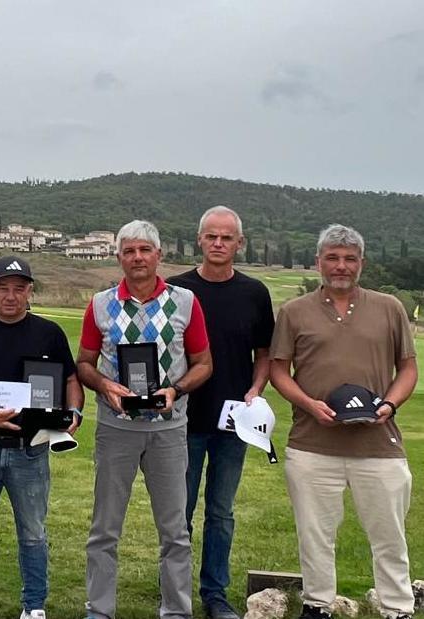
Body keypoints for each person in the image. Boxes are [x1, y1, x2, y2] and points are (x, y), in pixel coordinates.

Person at [269, 224, 417, 619]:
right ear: (318, 262)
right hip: (312, 445)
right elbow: (278, 370)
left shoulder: (389, 308)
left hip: (379, 445)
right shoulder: (294, 312)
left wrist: (390, 403)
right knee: (316, 536)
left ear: (361, 263)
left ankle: (397, 608)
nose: (341, 266)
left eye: (350, 258)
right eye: (332, 257)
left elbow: (407, 368)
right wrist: (309, 404)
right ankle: (318, 605)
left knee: (389, 536)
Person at [76, 219, 212, 619]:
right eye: (129, 251)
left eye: (144, 250)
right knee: (104, 529)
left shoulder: (185, 301)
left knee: (175, 531)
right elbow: (83, 364)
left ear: (159, 255)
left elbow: (204, 363)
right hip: (116, 429)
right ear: (118, 257)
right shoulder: (101, 304)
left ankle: (176, 611)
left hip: (169, 430)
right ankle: (98, 610)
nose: (137, 257)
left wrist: (177, 390)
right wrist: (105, 385)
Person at [0, 256, 85, 619]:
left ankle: (34, 606)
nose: (11, 296)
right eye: (3, 288)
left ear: (30, 291)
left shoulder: (49, 333)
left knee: (33, 532)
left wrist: (75, 413)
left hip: (31, 449)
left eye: (19, 288)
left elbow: (70, 381)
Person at [166, 206, 274, 619]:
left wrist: (256, 388)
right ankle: (174, 595)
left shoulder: (254, 293)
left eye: (226, 238)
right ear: (199, 240)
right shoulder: (177, 290)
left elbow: (264, 353)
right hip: (184, 419)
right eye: (211, 236)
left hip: (233, 422)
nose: (218, 244)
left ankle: (215, 594)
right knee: (180, 513)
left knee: (221, 513)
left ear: (239, 244)